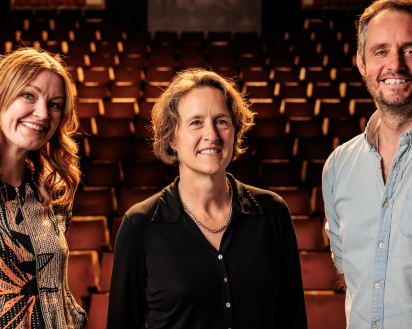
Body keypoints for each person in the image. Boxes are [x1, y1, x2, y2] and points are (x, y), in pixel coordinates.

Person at [107, 69, 307, 328]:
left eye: (221, 121)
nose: (211, 134)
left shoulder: (273, 212)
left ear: (235, 131)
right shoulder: (140, 225)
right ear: (171, 137)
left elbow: (293, 319)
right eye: (196, 122)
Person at [323, 0, 412, 328]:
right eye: (380, 51)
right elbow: (347, 270)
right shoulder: (338, 166)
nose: (394, 65)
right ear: (362, 63)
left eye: (410, 51)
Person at [0, 48, 87, 328]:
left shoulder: (51, 196)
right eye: (28, 95)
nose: (42, 113)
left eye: (55, 104)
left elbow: (56, 293)